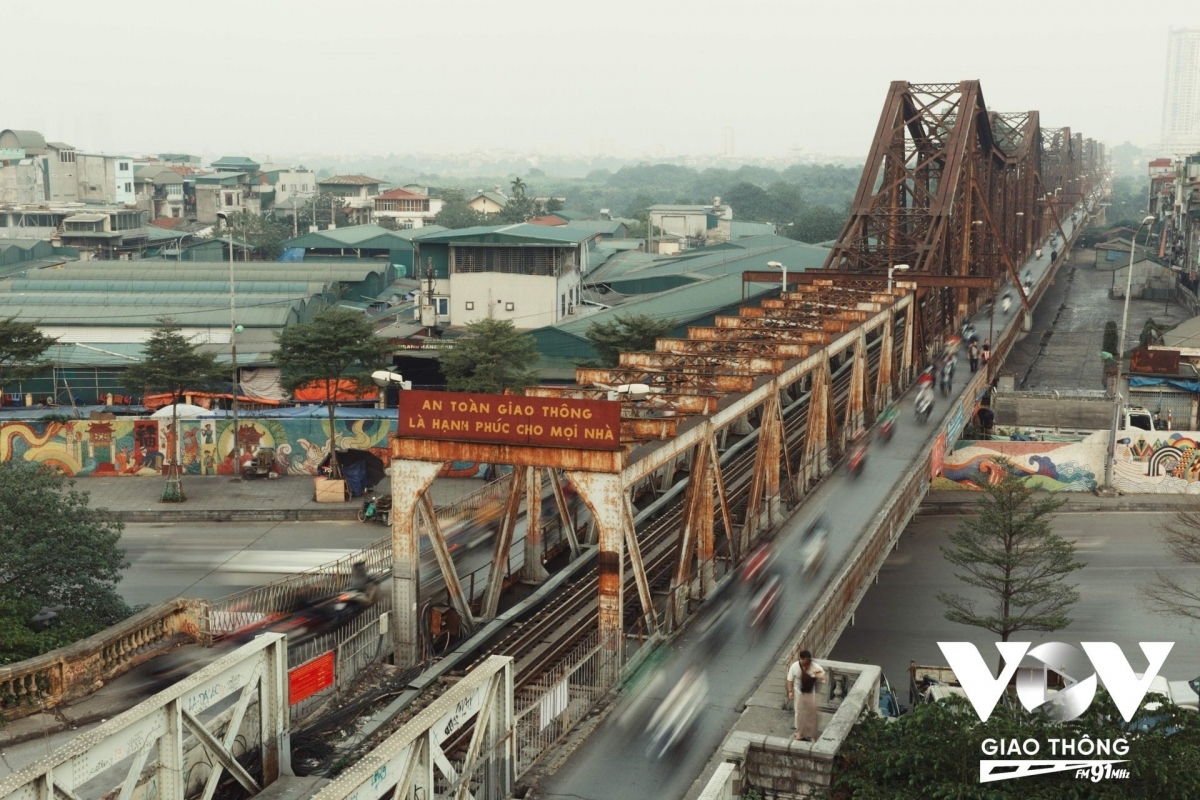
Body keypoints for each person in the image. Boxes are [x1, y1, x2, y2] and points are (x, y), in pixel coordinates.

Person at [786, 650, 826, 742]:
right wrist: (790, 691)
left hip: (810, 692)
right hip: (798, 691)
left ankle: (809, 732)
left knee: (810, 712)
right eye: (804, 661)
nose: (806, 664)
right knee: (798, 710)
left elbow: (822, 675)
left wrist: (819, 675)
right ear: (801, 659)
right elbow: (789, 679)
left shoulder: (813, 666)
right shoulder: (794, 666)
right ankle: (798, 730)